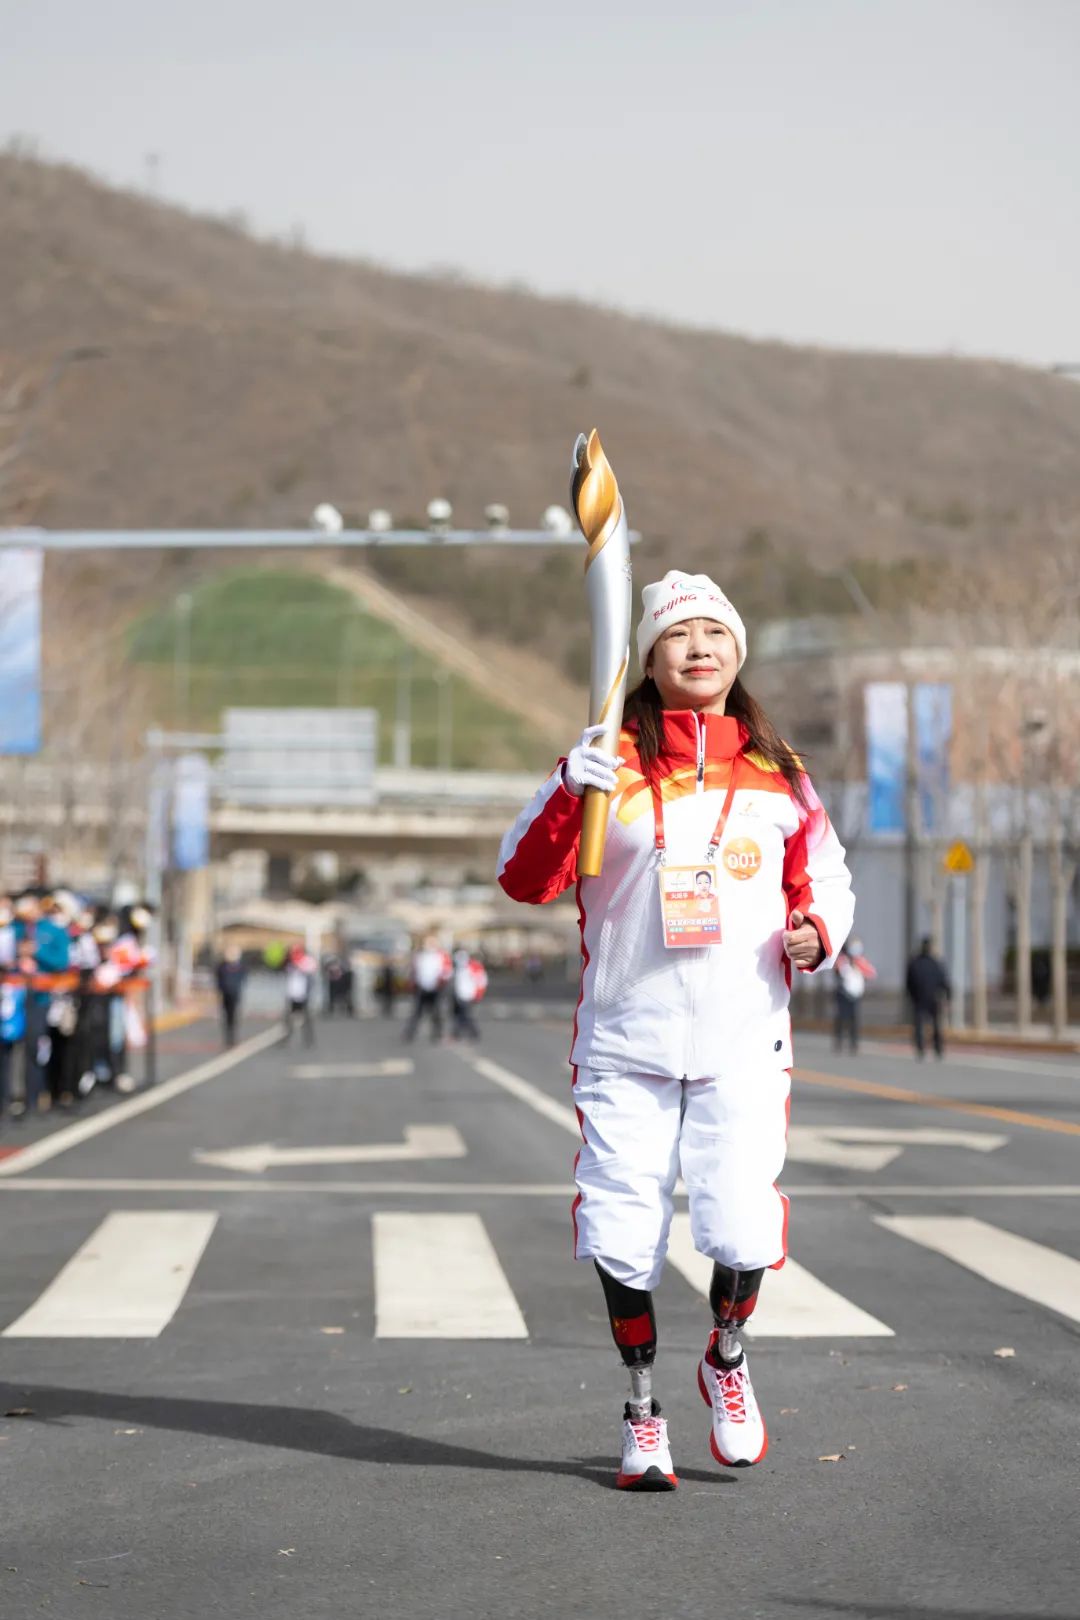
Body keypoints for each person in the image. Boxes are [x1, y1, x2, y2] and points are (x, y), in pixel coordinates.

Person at [498, 570, 854, 1491]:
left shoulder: (781, 774)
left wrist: (819, 931)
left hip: (744, 1037)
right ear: (646, 663)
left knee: (740, 1225)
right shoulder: (606, 762)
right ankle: (643, 1411)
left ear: (738, 655)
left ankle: (726, 1358)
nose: (699, 648)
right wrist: (566, 795)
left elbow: (824, 877)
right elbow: (526, 880)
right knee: (623, 1231)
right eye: (677, 637)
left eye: (715, 634)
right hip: (628, 1041)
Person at [906, 936, 950, 1059]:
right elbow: (944, 982)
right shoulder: (935, 963)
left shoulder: (915, 963)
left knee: (922, 1024)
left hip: (921, 998)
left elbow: (909, 982)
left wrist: (911, 996)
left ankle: (922, 1047)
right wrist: (947, 996)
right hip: (932, 998)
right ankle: (937, 1047)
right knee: (935, 1024)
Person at [833, 936, 876, 1052]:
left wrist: (859, 967)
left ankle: (853, 1043)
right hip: (843, 994)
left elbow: (871, 973)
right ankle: (839, 1042)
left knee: (854, 1019)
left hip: (855, 995)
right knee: (842, 1018)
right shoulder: (842, 960)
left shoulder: (861, 961)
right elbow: (837, 970)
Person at [404, 935, 450, 1043]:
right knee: (417, 1013)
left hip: (436, 989)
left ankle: (437, 1034)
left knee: (436, 1013)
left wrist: (441, 982)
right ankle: (410, 1033)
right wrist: (412, 984)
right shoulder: (419, 956)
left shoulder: (441, 956)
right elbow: (414, 971)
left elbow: (446, 971)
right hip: (421, 988)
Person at [282, 944, 316, 1046]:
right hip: (292, 994)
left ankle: (308, 1039)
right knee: (289, 1018)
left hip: (303, 995)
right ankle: (286, 1037)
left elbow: (310, 972)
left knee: (306, 1017)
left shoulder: (307, 961)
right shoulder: (289, 963)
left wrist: (299, 965)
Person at [450, 947, 487, 1041]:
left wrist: (478, 994)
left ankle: (474, 1033)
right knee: (457, 1015)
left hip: (468, 995)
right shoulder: (457, 969)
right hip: (458, 995)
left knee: (466, 1015)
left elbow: (481, 981)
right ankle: (456, 1034)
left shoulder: (474, 967)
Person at [215, 945, 246, 1047]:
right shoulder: (222, 966)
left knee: (233, 1015)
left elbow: (243, 978)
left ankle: (233, 1036)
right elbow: (218, 979)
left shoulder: (240, 966)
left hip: (235, 993)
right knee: (227, 1016)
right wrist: (220, 989)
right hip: (225, 993)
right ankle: (228, 1036)